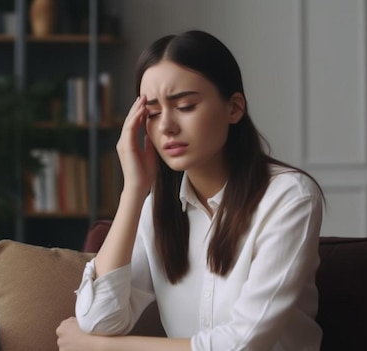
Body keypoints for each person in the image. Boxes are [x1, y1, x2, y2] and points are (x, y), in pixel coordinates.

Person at [56, 30, 324, 351]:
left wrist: (103, 348)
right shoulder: (158, 209)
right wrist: (133, 190)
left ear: (234, 108)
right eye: (152, 113)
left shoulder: (289, 197)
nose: (166, 126)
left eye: (184, 106)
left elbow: (242, 345)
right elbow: (98, 320)